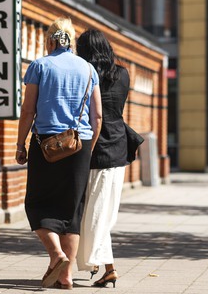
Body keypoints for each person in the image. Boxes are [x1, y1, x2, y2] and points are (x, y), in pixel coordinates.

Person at [15, 18, 103, 290]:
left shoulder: (40, 66)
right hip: (80, 146)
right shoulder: (88, 69)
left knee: (37, 204)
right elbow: (97, 115)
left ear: (50, 39)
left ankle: (57, 255)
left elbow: (28, 110)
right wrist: (86, 147)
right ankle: (66, 277)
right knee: (71, 212)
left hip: (46, 146)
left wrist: (21, 144)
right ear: (72, 40)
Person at [75, 29, 133, 288]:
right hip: (119, 146)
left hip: (96, 147)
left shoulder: (86, 75)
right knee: (103, 211)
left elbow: (92, 115)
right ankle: (107, 267)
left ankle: (97, 262)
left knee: (93, 211)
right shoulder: (123, 74)